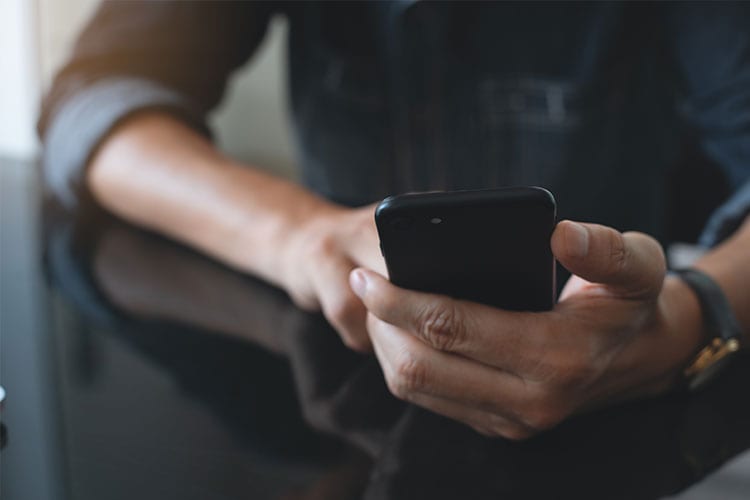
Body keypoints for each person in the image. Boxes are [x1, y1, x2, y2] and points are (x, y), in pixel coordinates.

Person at [39, 1, 750, 439]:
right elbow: (90, 101)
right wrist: (300, 236)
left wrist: (687, 321)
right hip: (345, 383)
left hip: (622, 425)